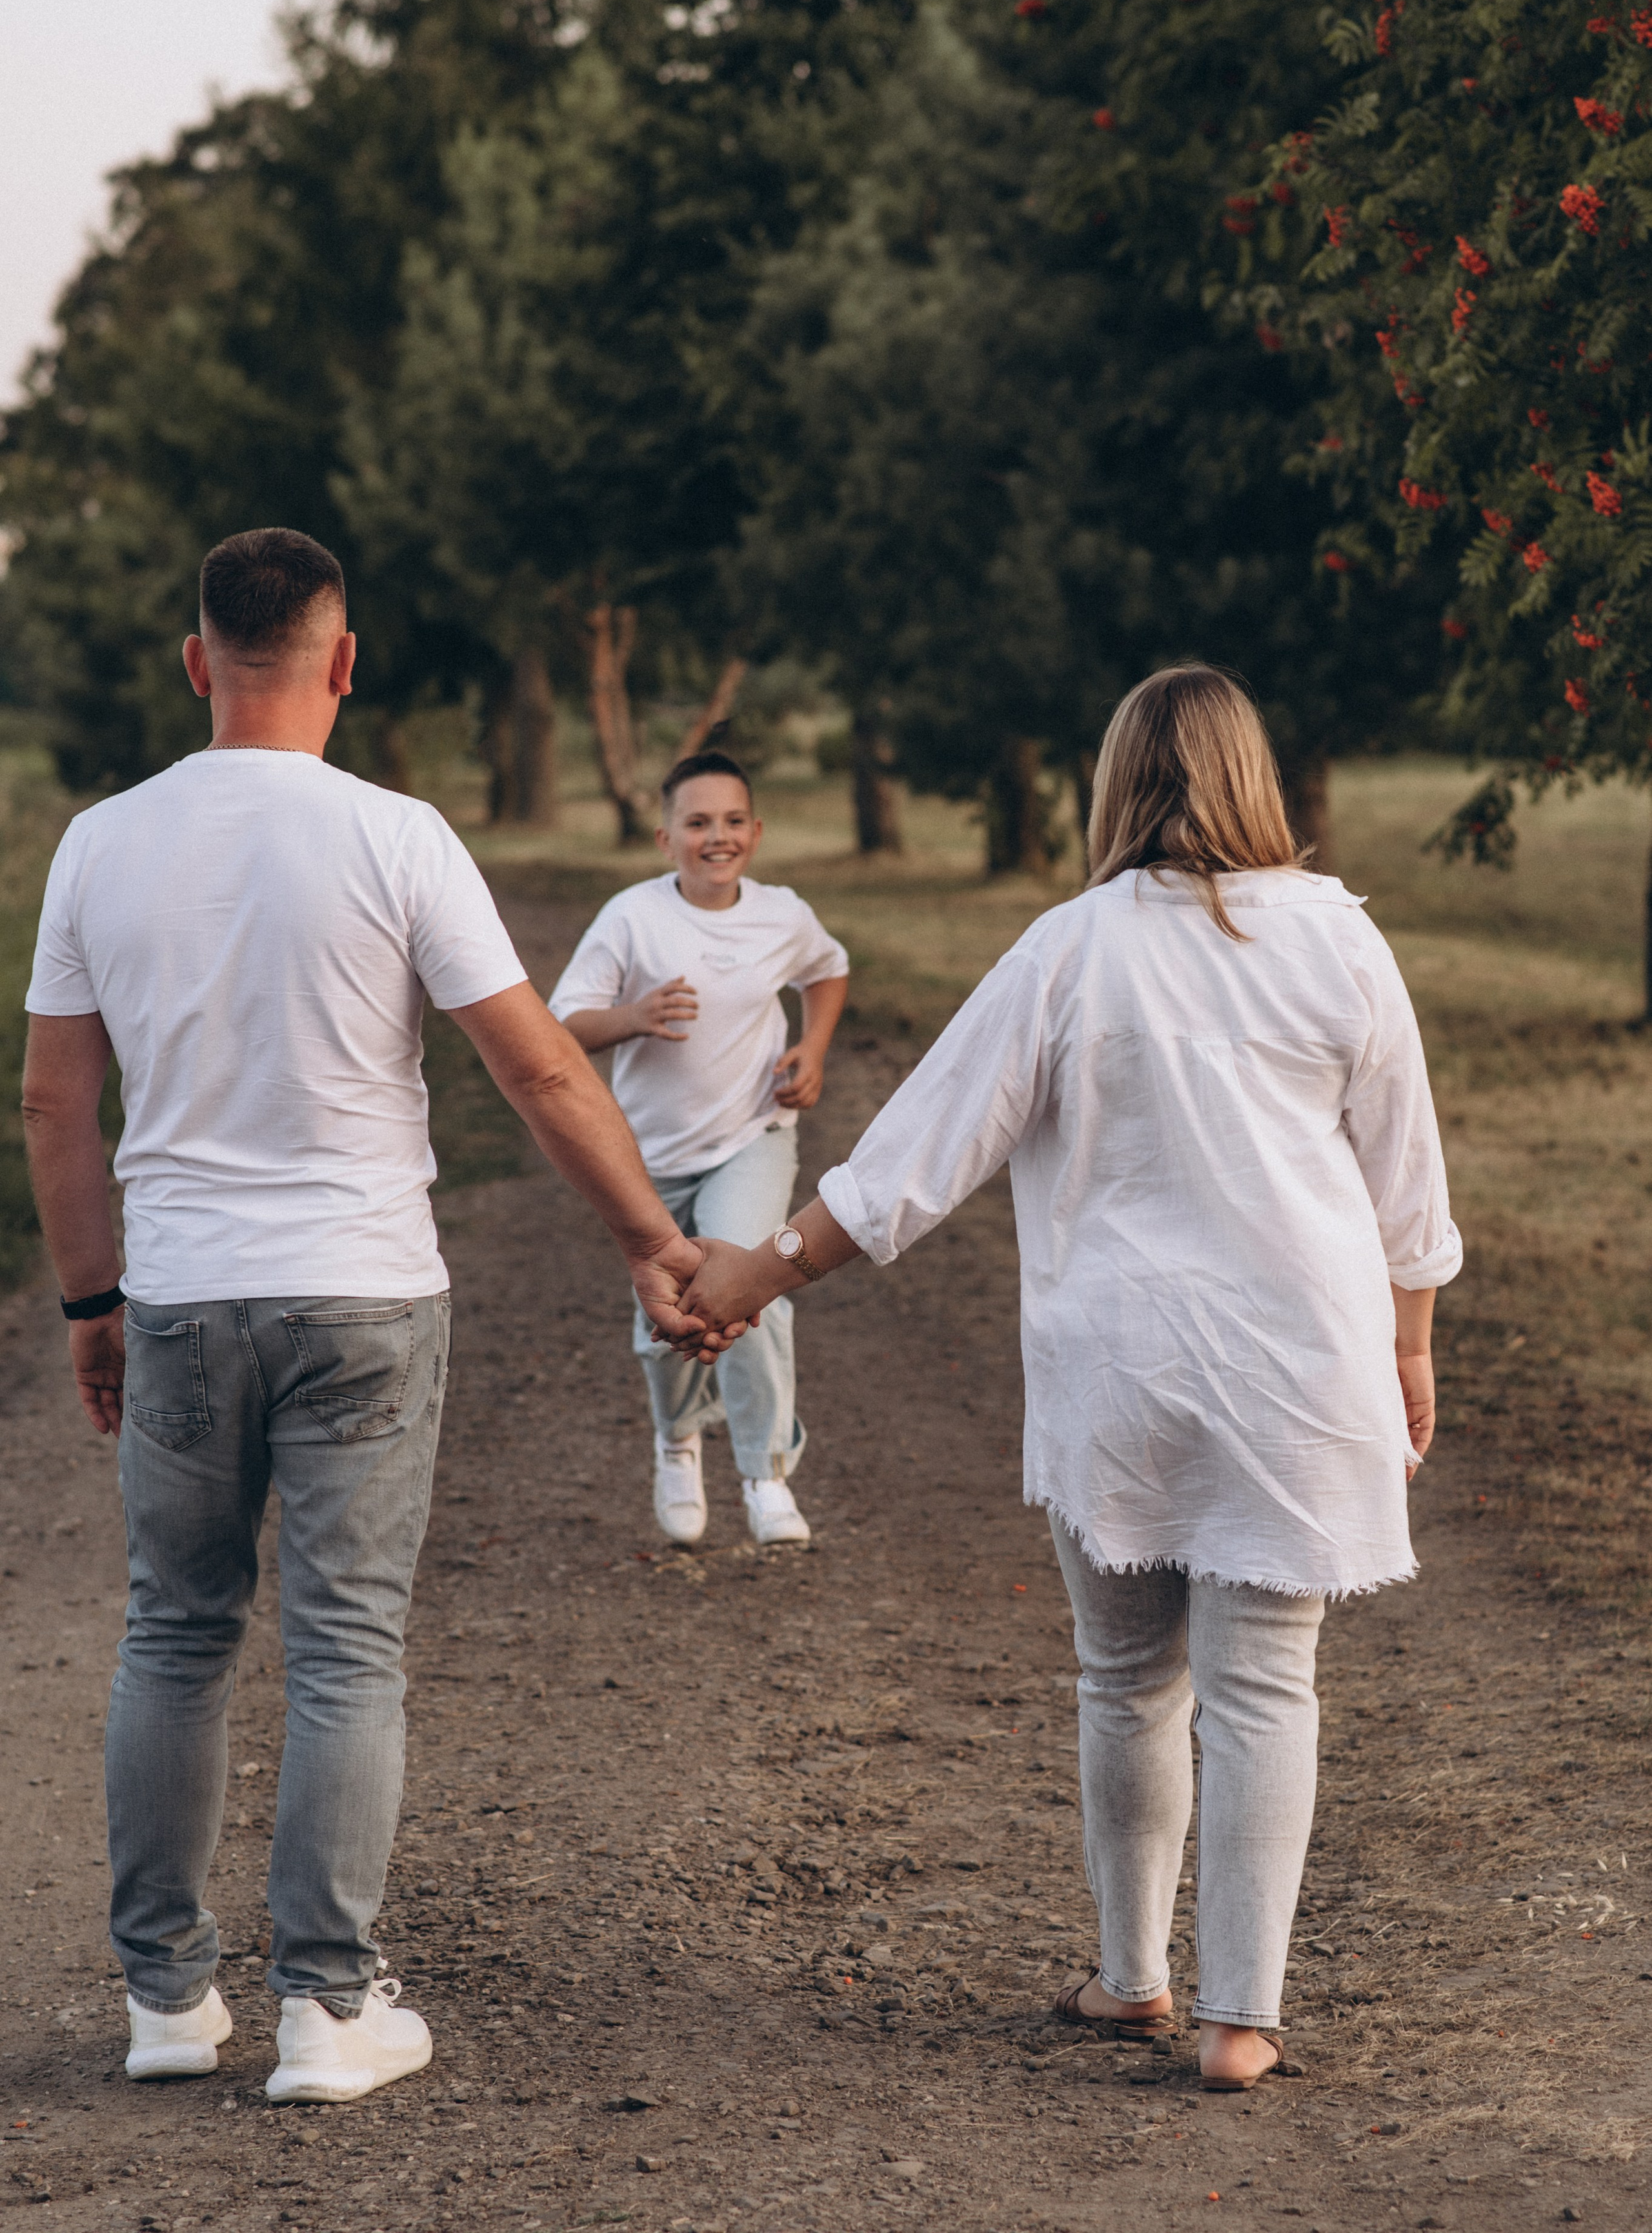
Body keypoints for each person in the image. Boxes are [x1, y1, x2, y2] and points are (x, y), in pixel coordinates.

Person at [670, 666, 1461, 2092]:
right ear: (1250, 776)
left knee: (1123, 1676)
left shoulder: (1068, 947)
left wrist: (755, 1268)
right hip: (1295, 1364)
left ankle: (1130, 1975)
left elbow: (911, 1161)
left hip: (1122, 1365)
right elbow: (1404, 1174)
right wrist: (1406, 1343)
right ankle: (1238, 2017)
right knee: (1264, 1684)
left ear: (1112, 786)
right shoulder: (1338, 940)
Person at [21, 529, 712, 2105]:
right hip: (366, 1293)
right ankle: (326, 2009)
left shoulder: (97, 844)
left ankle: (167, 2000)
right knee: (345, 1643)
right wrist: (650, 1242)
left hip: (185, 1297)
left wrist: (90, 1298)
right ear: (344, 660)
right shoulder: (398, 837)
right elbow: (536, 1065)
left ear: (198, 662)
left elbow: (58, 1099)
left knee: (174, 1629)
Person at [551, 749, 849, 1548]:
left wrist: (813, 1049)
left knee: (753, 1282)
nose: (716, 836)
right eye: (696, 822)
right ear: (665, 836)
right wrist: (635, 1016)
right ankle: (678, 1440)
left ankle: (765, 1471)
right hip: (646, 1156)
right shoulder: (631, 917)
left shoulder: (782, 913)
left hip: (751, 1135)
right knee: (668, 1307)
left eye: (730, 821)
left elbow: (828, 970)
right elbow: (564, 1023)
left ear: (755, 830)